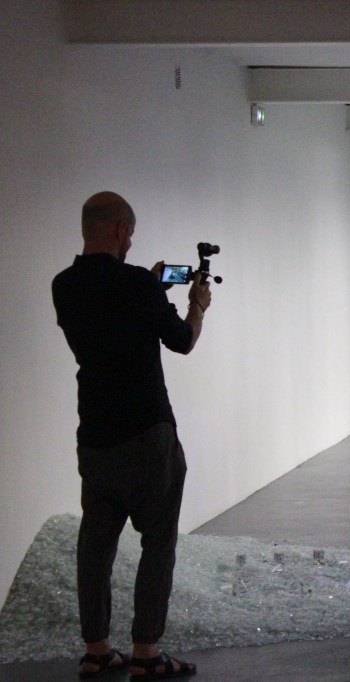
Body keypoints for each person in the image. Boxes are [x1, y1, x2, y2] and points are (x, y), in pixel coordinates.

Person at [52, 192, 209, 679]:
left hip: (95, 435)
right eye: (131, 234)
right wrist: (197, 305)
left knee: (95, 547)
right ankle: (145, 652)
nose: (131, 242)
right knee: (157, 543)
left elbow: (109, 306)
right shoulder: (139, 284)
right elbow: (182, 340)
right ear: (121, 230)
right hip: (147, 433)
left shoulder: (64, 286)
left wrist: (148, 285)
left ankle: (97, 649)